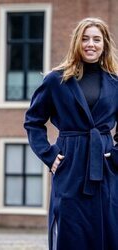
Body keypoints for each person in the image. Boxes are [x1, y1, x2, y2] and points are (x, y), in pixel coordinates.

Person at [24, 17, 118, 250]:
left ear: (104, 44)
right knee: (69, 231)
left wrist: (116, 157)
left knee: (107, 230)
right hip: (70, 163)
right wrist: (49, 154)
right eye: (85, 39)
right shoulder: (56, 80)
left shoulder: (115, 83)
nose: (90, 44)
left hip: (105, 167)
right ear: (77, 42)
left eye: (97, 39)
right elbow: (33, 121)